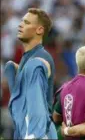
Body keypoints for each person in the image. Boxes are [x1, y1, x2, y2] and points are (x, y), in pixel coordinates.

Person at [4, 8, 57, 139]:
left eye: (27, 22)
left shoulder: (37, 61)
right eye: (22, 21)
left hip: (37, 134)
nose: (20, 25)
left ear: (39, 30)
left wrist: (33, 135)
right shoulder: (27, 59)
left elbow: (36, 105)